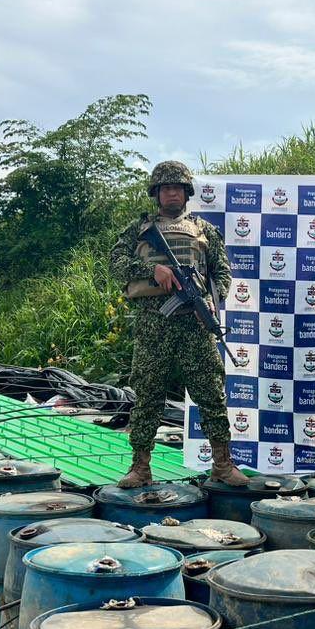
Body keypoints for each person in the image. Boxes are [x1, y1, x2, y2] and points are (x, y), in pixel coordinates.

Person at [109, 160, 249, 488]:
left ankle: (223, 465)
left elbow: (222, 272)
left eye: (177, 188)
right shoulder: (140, 229)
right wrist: (151, 271)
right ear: (156, 194)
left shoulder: (205, 231)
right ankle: (140, 468)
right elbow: (115, 263)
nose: (172, 193)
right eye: (165, 189)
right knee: (147, 396)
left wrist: (215, 299)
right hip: (153, 327)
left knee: (212, 395)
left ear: (186, 193)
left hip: (194, 327)